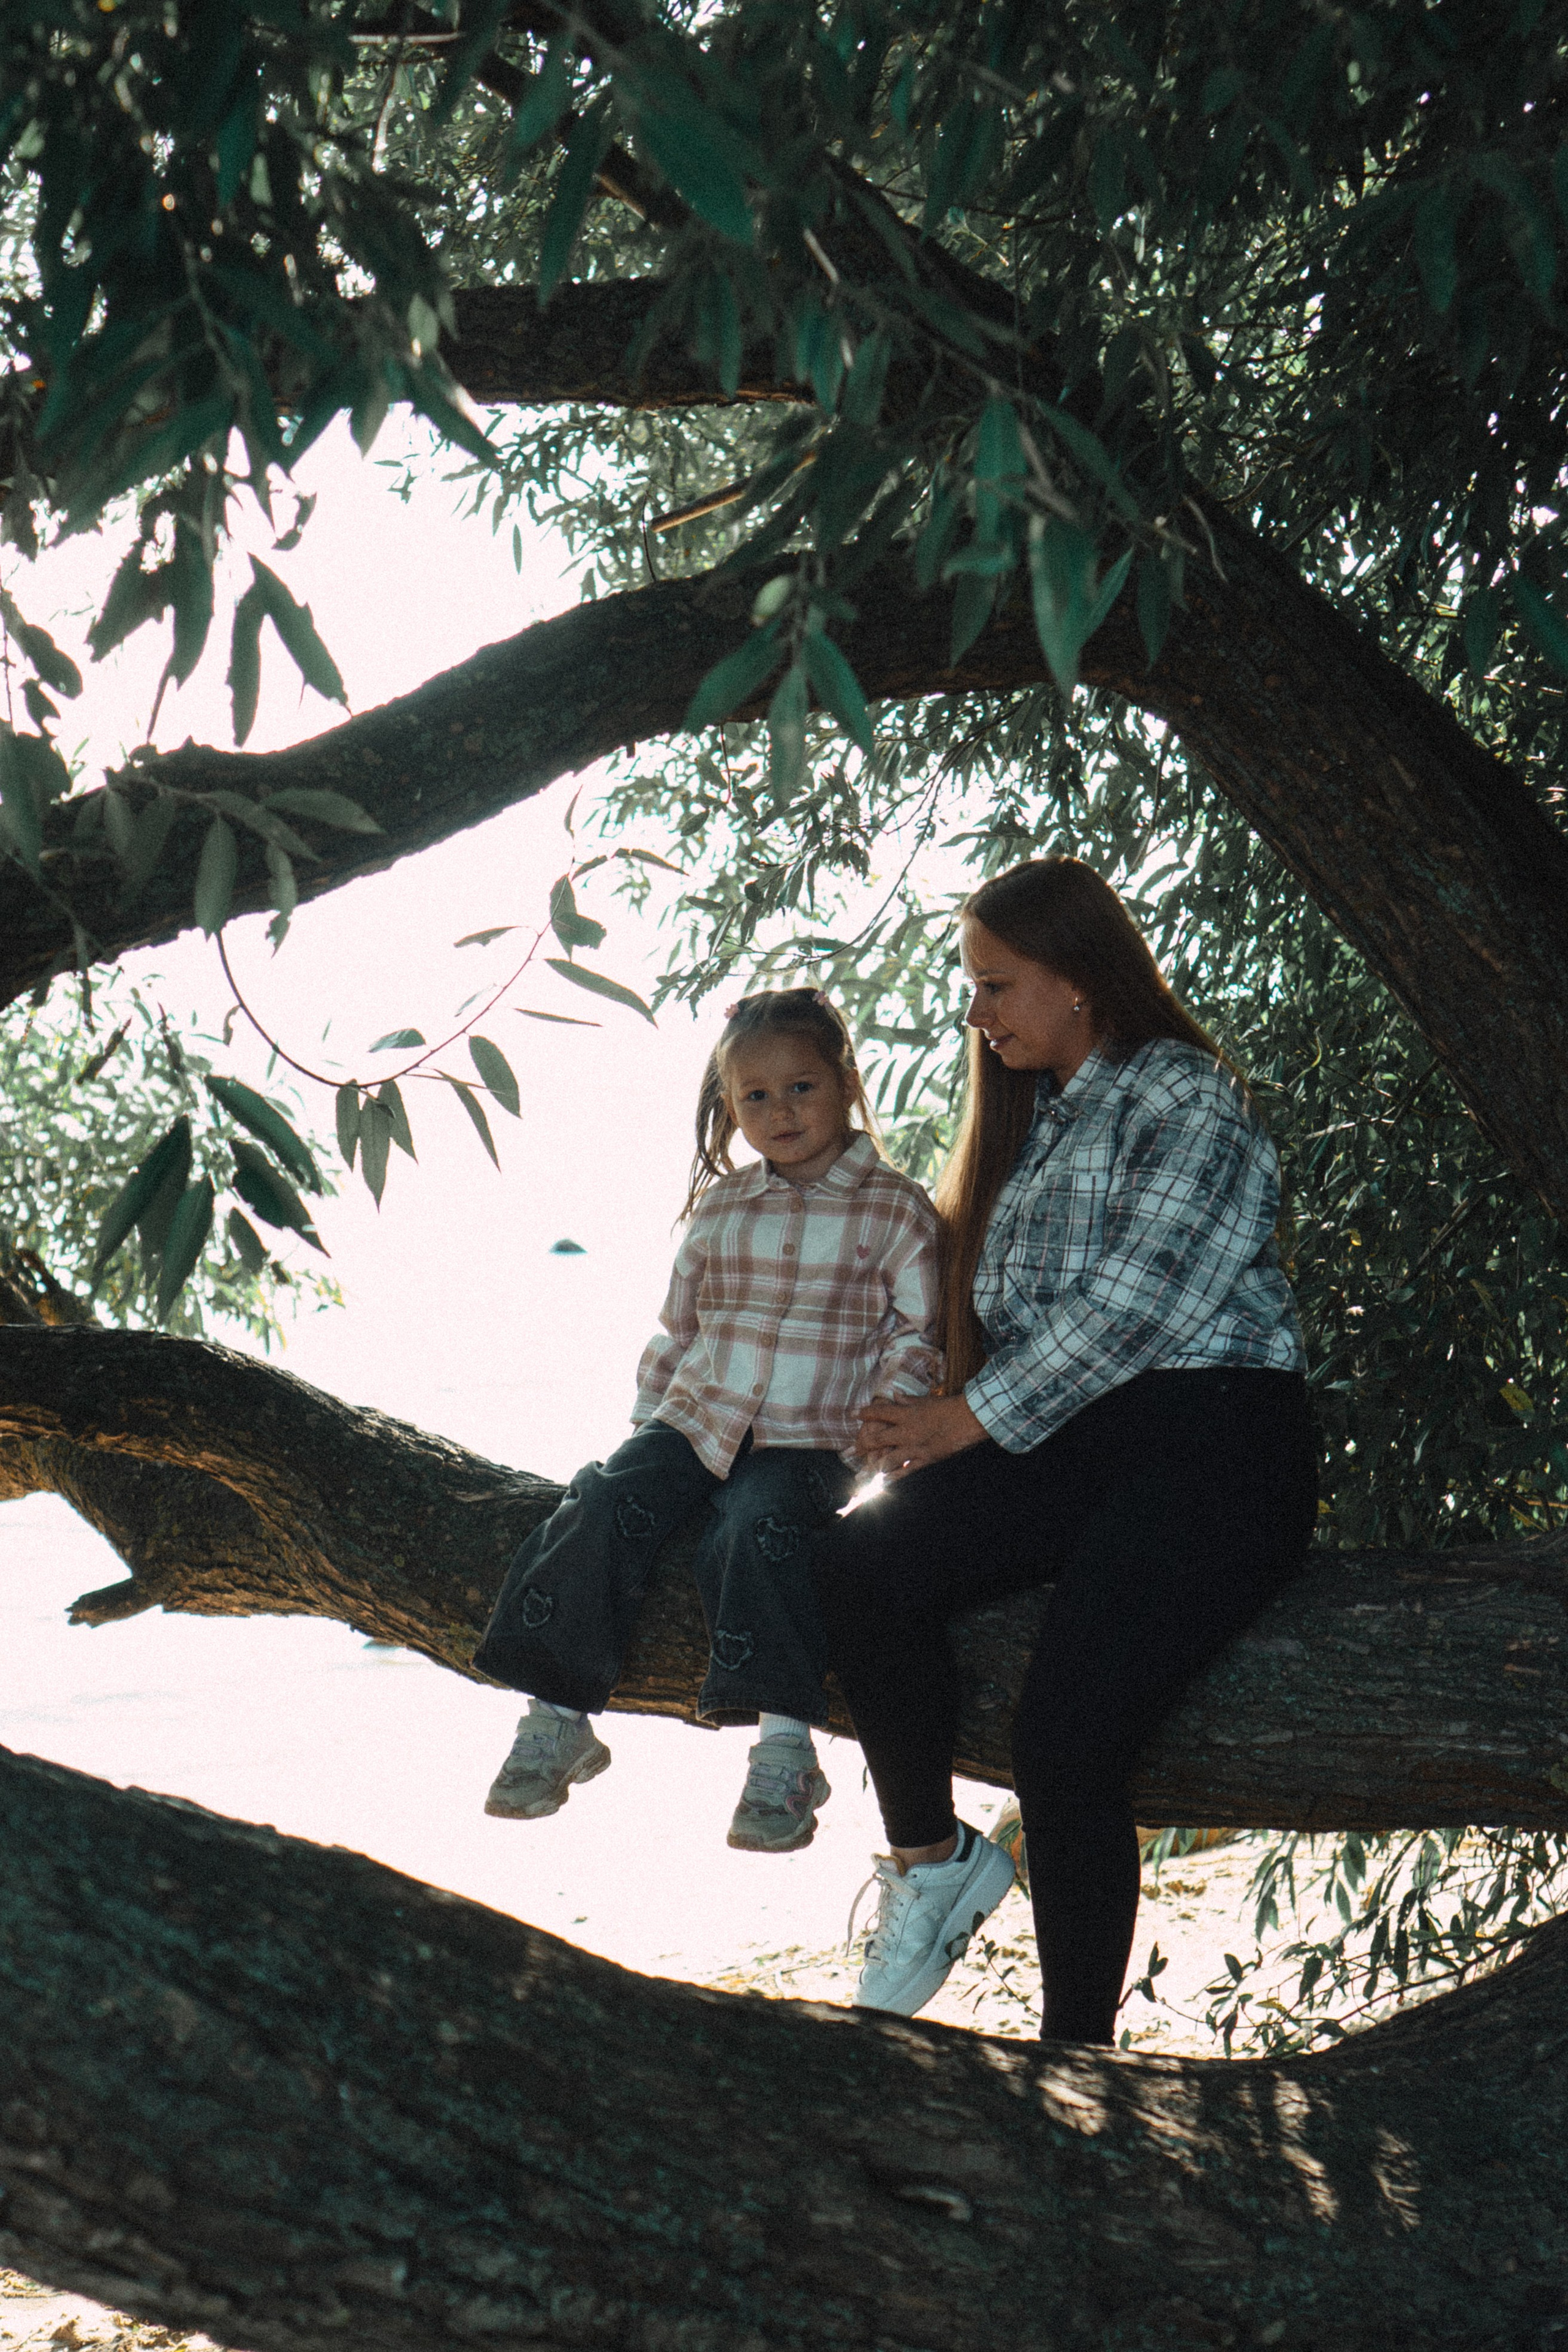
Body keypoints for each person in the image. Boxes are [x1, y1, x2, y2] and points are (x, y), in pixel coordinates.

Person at [816, 858, 1316, 2039]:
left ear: (1080, 979)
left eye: (993, 986)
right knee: (856, 1560)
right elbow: (1023, 1326)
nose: (975, 1016)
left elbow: (1137, 1304)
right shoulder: (1040, 1125)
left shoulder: (1184, 1095)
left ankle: (1077, 2055)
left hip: (1215, 1441)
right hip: (1071, 1437)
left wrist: (961, 1425)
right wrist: (908, 1417)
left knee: (1065, 1737)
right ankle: (933, 1862)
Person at [473, 987, 941, 1853]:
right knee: (606, 1502)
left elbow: (917, 1334)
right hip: (697, 1419)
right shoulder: (723, 1206)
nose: (779, 1112)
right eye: (754, 1097)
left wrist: (891, 1420)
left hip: (811, 1434)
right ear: (731, 1109)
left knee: (760, 1531)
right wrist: (650, 1425)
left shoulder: (895, 1208)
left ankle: (786, 1753)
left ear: (845, 1081)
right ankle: (559, 1714)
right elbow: (678, 1329)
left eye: (800, 1087)